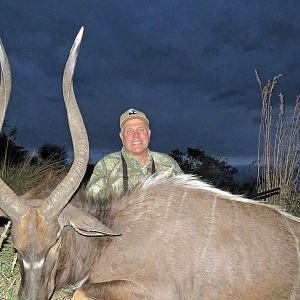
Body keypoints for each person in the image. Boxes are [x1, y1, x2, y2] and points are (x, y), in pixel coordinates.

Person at [86, 108, 183, 206]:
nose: (136, 135)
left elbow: (185, 199)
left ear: (149, 134)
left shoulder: (168, 164)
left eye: (141, 130)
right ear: (121, 137)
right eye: (129, 131)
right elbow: (90, 206)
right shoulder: (106, 165)